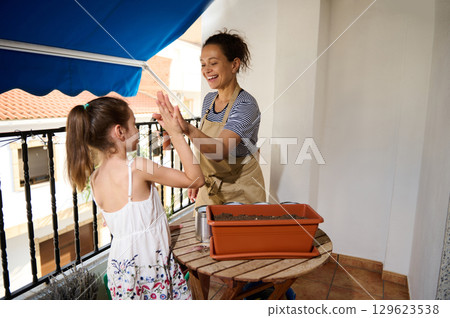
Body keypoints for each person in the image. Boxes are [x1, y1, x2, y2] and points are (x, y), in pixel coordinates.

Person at [66, 94, 204, 300]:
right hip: (150, 269)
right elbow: (196, 179)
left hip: (122, 273)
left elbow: (127, 224)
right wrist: (175, 133)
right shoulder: (138, 167)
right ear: (119, 132)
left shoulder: (95, 179)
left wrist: (158, 227)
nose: (138, 131)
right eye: (134, 124)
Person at [154, 30, 266, 207]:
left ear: (234, 64)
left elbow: (219, 151)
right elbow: (205, 142)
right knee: (204, 233)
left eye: (213, 63)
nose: (206, 70)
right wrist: (199, 175)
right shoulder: (209, 100)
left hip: (241, 191)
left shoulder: (245, 105)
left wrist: (186, 128)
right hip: (210, 187)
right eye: (203, 64)